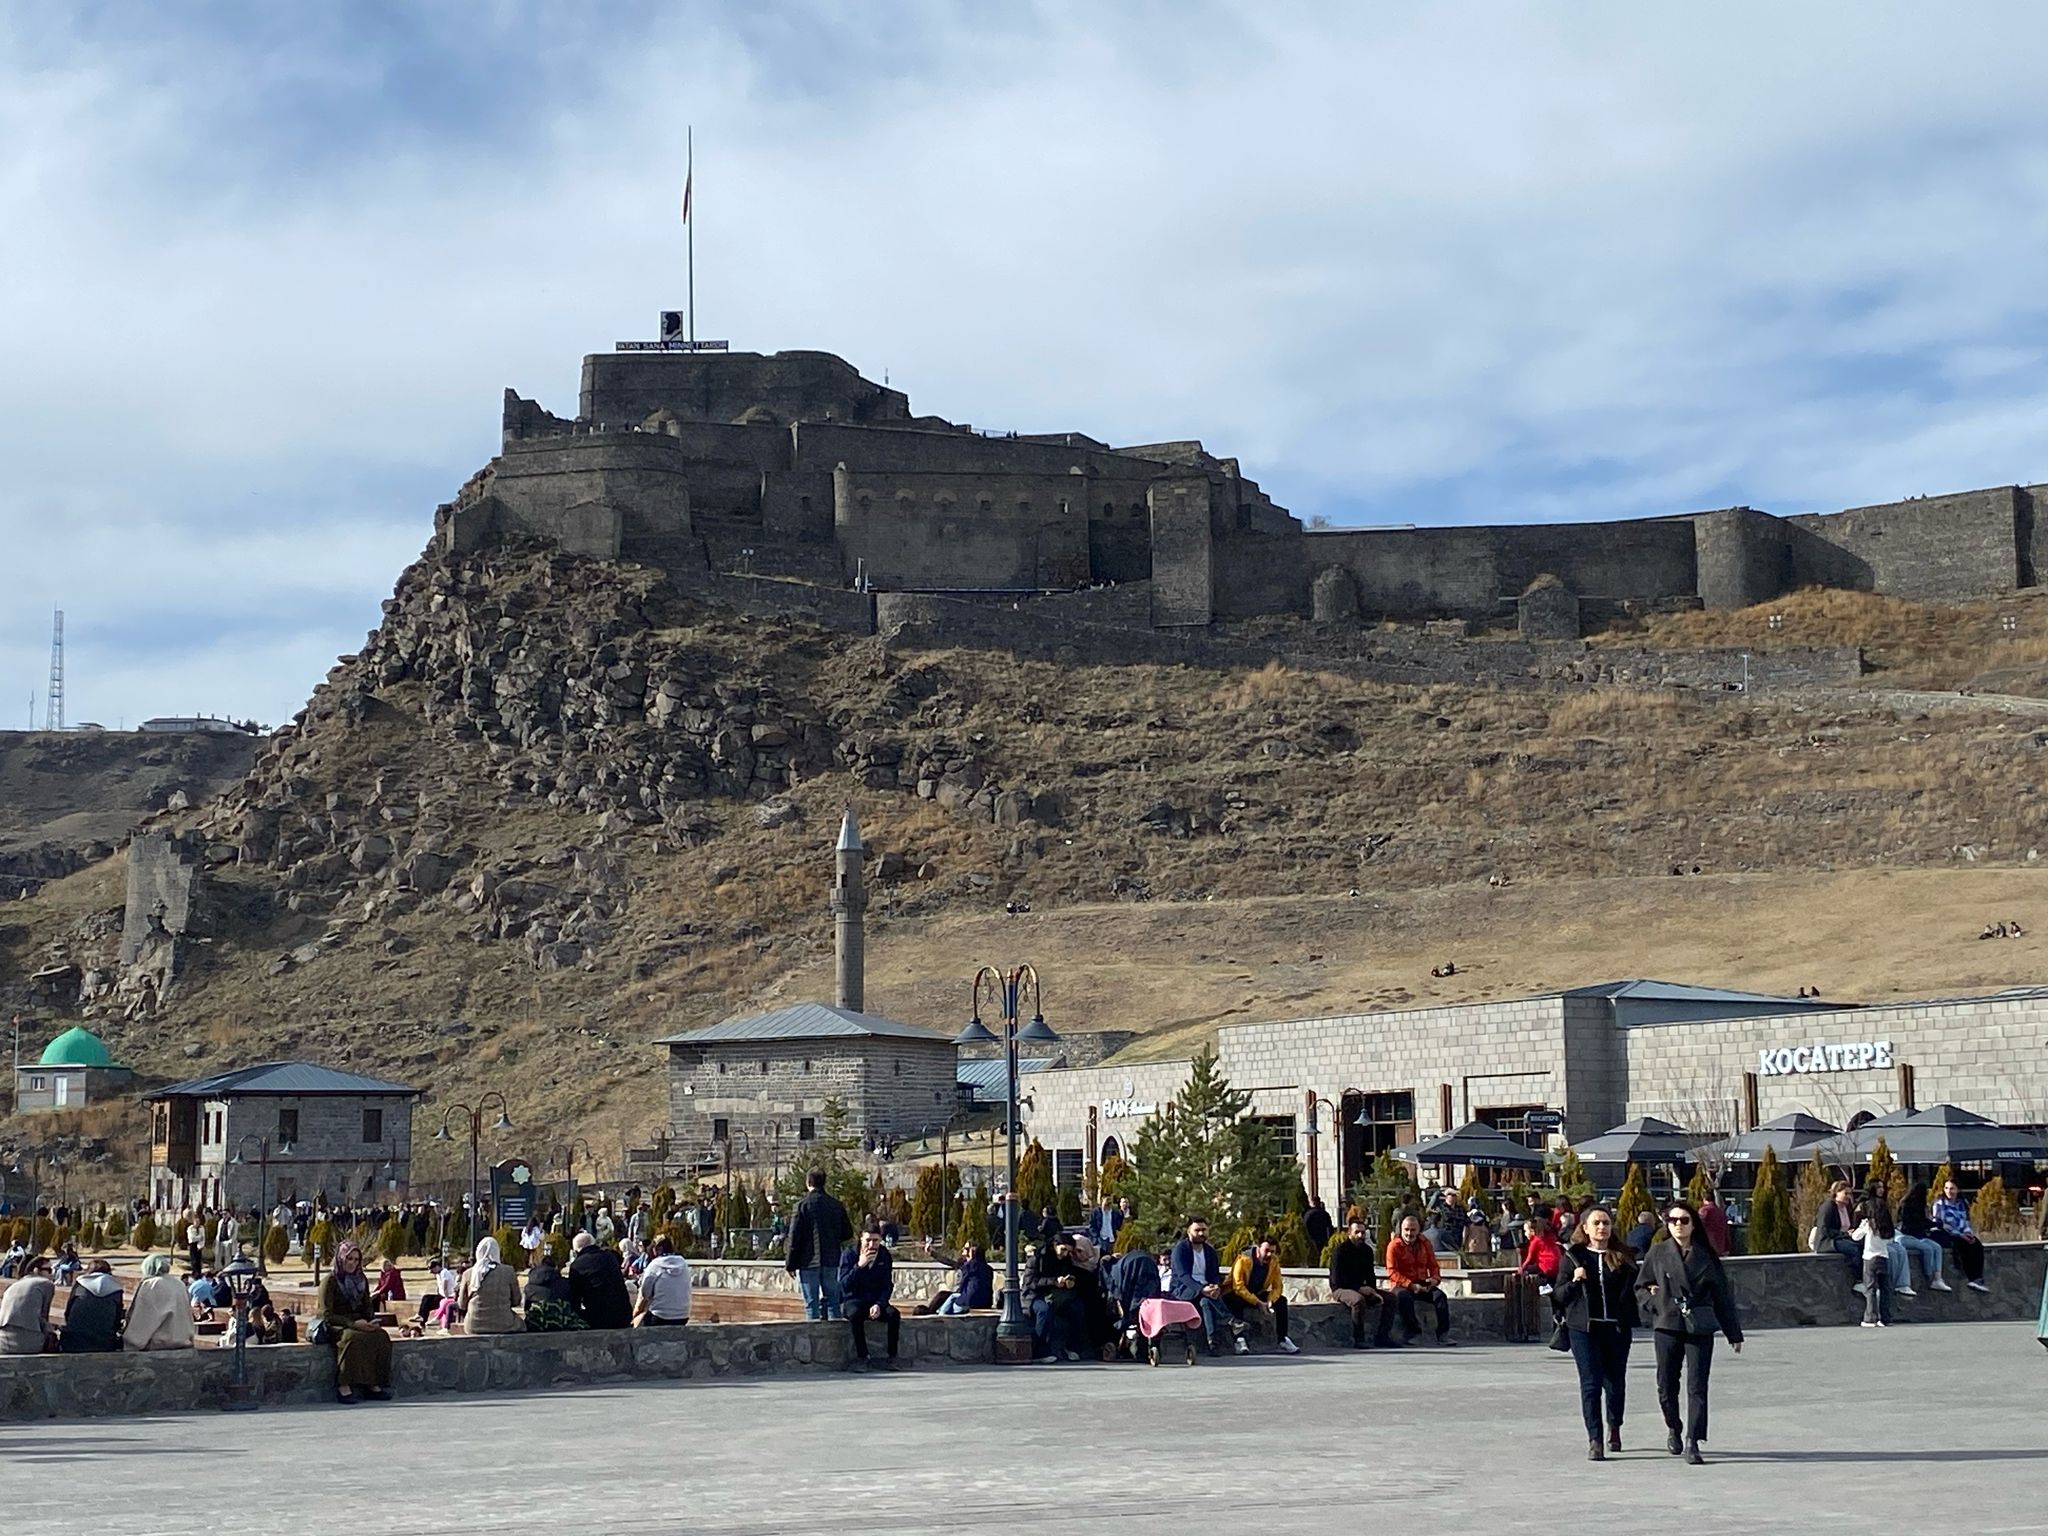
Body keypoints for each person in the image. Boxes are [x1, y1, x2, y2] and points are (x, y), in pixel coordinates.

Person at [1637, 1200, 1742, 1465]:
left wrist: (1733, 1332)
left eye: (1684, 1220)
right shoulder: (1658, 1253)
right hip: (1667, 1323)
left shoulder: (1706, 1256)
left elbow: (1722, 1296)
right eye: (1673, 1220)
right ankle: (1674, 1426)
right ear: (1667, 1224)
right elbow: (1640, 1287)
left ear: (1694, 1224)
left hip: (1699, 1324)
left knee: (1697, 1385)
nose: (1679, 1225)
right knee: (1666, 1384)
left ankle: (1693, 1440)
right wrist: (1655, 1303)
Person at [1555, 1206, 1638, 1460]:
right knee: (1590, 1384)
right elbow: (1559, 1295)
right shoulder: (1574, 1257)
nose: (1602, 1228)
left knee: (1614, 1382)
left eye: (1606, 1223)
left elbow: (1636, 1289)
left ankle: (1615, 1426)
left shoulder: (1623, 1257)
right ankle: (1595, 1438)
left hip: (1615, 1328)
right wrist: (1575, 1281)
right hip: (1584, 1329)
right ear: (1586, 1228)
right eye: (1597, 1223)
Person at [321, 1240, 395, 1404]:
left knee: (380, 1337)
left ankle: (373, 1384)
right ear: (341, 1259)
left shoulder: (361, 1280)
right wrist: (352, 1323)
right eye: (349, 1259)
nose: (352, 1263)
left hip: (359, 1321)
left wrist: (371, 1321)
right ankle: (344, 1384)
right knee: (352, 1338)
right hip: (338, 1323)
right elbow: (326, 1313)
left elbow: (367, 1307)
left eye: (356, 1259)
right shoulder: (330, 1281)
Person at [785, 1168, 854, 1322]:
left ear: (808, 1182)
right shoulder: (836, 1205)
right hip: (832, 1260)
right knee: (834, 1304)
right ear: (824, 1182)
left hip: (807, 1262)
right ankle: (834, 1341)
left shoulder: (801, 1206)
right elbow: (847, 1232)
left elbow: (794, 1238)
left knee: (812, 1305)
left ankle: (814, 1341)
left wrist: (790, 1264)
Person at [1385, 1214, 1454, 1345]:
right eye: (1406, 1229)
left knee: (1440, 1296)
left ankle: (1443, 1335)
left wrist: (1434, 1279)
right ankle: (1413, 1332)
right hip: (1402, 1284)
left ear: (1418, 1230)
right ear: (1401, 1229)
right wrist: (1410, 1285)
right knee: (1403, 1297)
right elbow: (1392, 1271)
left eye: (1412, 1230)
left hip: (1422, 1282)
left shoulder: (1424, 1243)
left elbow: (1433, 1265)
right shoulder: (1394, 1246)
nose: (1409, 1233)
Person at [1225, 1234, 1298, 1354]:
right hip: (1240, 1294)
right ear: (1258, 1248)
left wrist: (1270, 1301)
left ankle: (1283, 1339)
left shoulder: (1274, 1262)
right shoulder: (1242, 1260)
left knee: (1281, 1301)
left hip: (1257, 1293)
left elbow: (1277, 1286)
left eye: (1273, 1251)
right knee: (1234, 1300)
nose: (1269, 1254)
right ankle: (1239, 1339)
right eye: (1267, 1250)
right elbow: (1238, 1286)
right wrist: (1258, 1303)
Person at [1328, 1217, 1393, 1348]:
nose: (1360, 1236)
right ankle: (1359, 1339)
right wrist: (1359, 1288)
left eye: (1363, 1233)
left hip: (1361, 1288)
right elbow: (1337, 1279)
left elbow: (1370, 1275)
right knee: (1358, 1300)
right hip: (1341, 1289)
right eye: (1357, 1232)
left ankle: (1382, 1337)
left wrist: (1373, 1290)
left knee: (1391, 1298)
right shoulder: (1340, 1251)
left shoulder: (1367, 1251)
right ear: (1349, 1233)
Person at [839, 1229, 900, 1369]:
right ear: (861, 1239)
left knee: (893, 1314)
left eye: (876, 1240)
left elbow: (887, 1285)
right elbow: (844, 1285)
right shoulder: (849, 1254)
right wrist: (859, 1266)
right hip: (854, 1299)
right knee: (855, 1314)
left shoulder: (884, 1255)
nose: (872, 1245)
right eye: (868, 1240)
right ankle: (862, 1357)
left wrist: (879, 1304)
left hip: (875, 1300)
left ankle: (892, 1357)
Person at [1168, 1218, 1230, 1356]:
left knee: (1205, 1302)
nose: (1201, 1233)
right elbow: (1183, 1275)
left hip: (1205, 1291)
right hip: (1183, 1290)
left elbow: (1214, 1274)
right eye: (1197, 1230)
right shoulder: (1180, 1249)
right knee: (1205, 1298)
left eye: (1204, 1230)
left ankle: (1212, 1342)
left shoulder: (1210, 1251)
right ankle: (1230, 1319)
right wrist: (1202, 1289)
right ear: (1189, 1231)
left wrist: (1215, 1287)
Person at [1024, 1229, 1085, 1362]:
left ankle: (1072, 1347)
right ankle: (1040, 1351)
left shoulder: (1066, 1260)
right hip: (1036, 1296)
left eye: (1068, 1251)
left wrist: (1070, 1281)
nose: (1065, 1254)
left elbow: (1072, 1275)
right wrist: (1053, 1281)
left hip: (1059, 1296)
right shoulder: (1038, 1258)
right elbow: (1030, 1283)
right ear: (1054, 1245)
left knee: (1077, 1308)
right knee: (1045, 1310)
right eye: (1063, 1250)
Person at [124, 1253, 197, 1351]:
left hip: (159, 1347)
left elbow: (143, 1318)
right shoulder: (179, 1284)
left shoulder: (151, 1285)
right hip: (183, 1344)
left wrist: (131, 1343)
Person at [456, 1236, 524, 1334]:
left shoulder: (468, 1274)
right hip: (504, 1324)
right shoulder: (508, 1271)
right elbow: (516, 1301)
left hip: (474, 1326)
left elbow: (462, 1304)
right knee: (521, 1324)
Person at [1931, 1179, 1990, 1291]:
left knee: (1977, 1246)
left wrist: (1968, 1233)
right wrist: (1960, 1235)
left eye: (1952, 1188)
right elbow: (1941, 1224)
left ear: (1957, 1190)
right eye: (1947, 1188)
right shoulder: (1939, 1204)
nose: (1949, 1191)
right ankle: (1970, 1277)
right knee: (1963, 1246)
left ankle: (1978, 1279)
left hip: (1962, 1232)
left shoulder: (1962, 1203)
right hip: (1948, 1233)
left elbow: (1965, 1221)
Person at [567, 1230, 633, 1329]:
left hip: (599, 1318)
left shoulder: (577, 1265)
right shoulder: (610, 1257)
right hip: (623, 1313)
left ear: (577, 1251)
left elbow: (575, 1299)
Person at [1850, 1192, 1897, 1328]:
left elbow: (1856, 1237)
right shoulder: (1887, 1225)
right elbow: (1890, 1240)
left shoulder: (1868, 1223)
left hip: (1870, 1258)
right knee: (1885, 1289)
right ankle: (1886, 1318)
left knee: (1870, 1289)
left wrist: (1854, 1231)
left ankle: (1870, 1318)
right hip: (1884, 1257)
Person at [60, 1259, 126, 1353]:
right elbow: (117, 1319)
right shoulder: (116, 1288)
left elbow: (68, 1312)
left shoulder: (80, 1284)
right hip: (104, 1343)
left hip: (73, 1341)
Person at [1896, 1183, 1952, 1292]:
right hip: (1906, 1235)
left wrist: (1936, 1225)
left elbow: (1924, 1221)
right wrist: (1931, 1226)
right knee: (1928, 1249)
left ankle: (1938, 1278)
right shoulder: (1907, 1206)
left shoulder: (1919, 1206)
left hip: (1918, 1235)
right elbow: (1911, 1224)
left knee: (1937, 1247)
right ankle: (1929, 1275)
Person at [1109, 1245, 1163, 1357]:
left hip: (1129, 1302)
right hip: (1149, 1305)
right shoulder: (1148, 1266)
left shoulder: (1121, 1267)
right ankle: (1148, 1347)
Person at [0, 1253, 57, 1354]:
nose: (52, 1274)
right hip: (28, 1342)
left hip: (3, 1341)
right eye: (48, 1270)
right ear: (36, 1270)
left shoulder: (14, 1285)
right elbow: (44, 1317)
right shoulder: (46, 1284)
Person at [633, 1234, 693, 1327]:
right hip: (683, 1316)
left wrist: (635, 1314)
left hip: (659, 1317)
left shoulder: (655, 1265)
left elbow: (645, 1294)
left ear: (658, 1249)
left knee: (637, 1322)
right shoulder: (683, 1263)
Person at [927, 1240, 994, 1314]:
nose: (963, 1250)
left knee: (945, 1297)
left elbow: (962, 1285)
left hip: (970, 1301)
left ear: (971, 1252)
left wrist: (932, 1253)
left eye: (966, 1248)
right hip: (986, 1302)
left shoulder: (969, 1266)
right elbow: (950, 1262)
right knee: (944, 1296)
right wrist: (933, 1253)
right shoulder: (988, 1269)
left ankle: (936, 1314)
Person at [524, 1247, 582, 1331]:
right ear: (555, 1268)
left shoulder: (530, 1287)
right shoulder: (565, 1284)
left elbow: (526, 1308)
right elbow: (575, 1306)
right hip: (561, 1325)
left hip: (537, 1325)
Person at [1697, 1191, 1730, 1256]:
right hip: (1720, 1247)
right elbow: (1726, 1231)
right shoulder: (1721, 1212)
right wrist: (1727, 1248)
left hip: (1707, 1247)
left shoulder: (1704, 1210)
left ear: (1704, 1199)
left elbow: (1699, 1228)